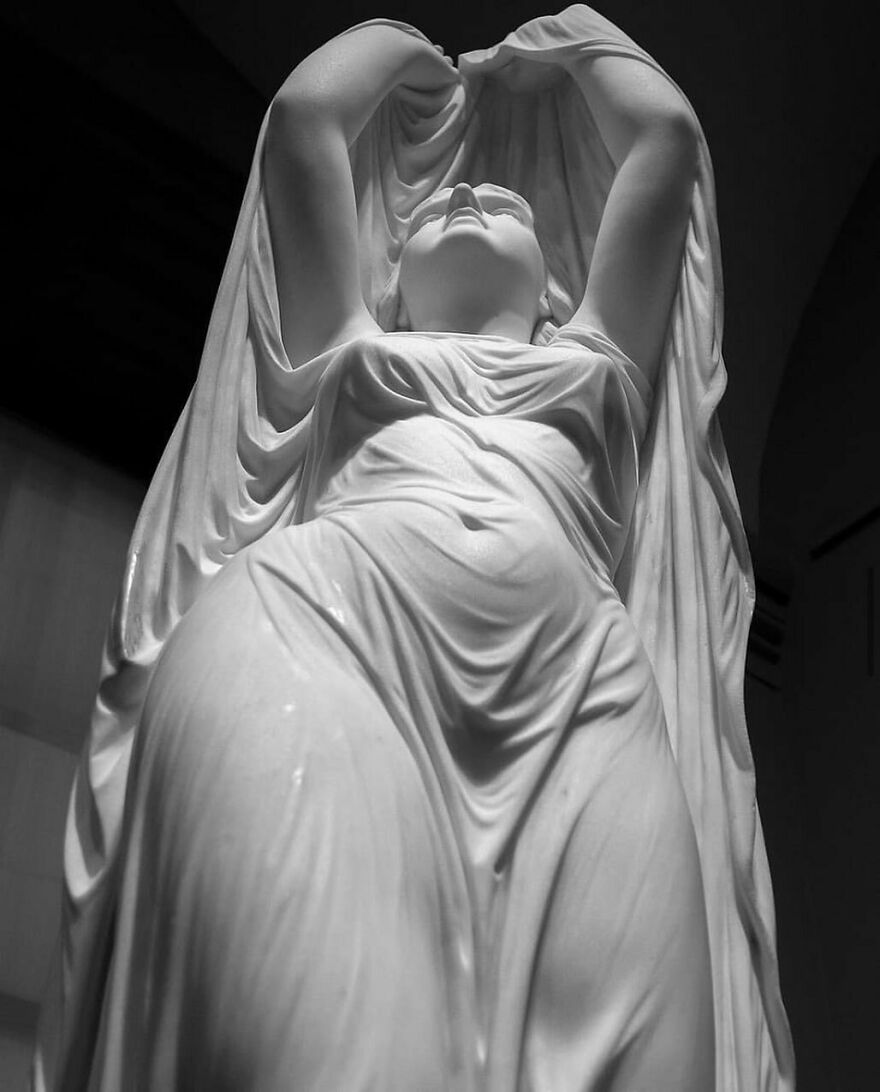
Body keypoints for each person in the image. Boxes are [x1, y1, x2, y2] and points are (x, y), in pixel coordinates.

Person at [35, 7, 794, 1090]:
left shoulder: (597, 369)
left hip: (581, 699)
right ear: (389, 287)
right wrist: (409, 46)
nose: (472, 192)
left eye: (502, 201)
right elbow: (305, 120)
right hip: (324, 642)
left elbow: (663, 141)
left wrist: (565, 39)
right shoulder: (349, 351)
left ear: (554, 293)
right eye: (441, 203)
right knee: (330, 1046)